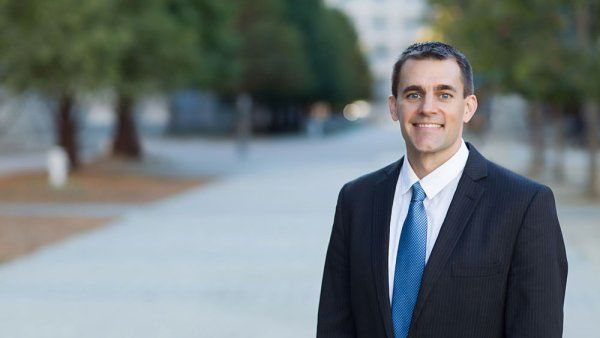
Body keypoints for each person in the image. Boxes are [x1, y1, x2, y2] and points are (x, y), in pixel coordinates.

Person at [317, 41, 568, 338]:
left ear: (468, 107)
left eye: (444, 94)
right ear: (394, 107)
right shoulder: (356, 201)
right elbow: (335, 325)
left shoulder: (524, 205)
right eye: (414, 94)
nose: (427, 108)